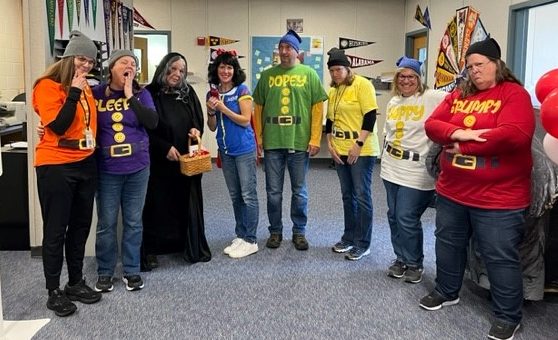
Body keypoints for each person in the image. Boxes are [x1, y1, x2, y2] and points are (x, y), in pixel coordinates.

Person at [420, 37, 535, 340]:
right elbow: (432, 125)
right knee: (447, 244)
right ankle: (447, 291)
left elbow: (513, 136)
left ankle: (508, 316)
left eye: (479, 65)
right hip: (452, 191)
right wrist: (458, 132)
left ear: (497, 64)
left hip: (499, 198)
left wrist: (458, 142)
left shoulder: (514, 94)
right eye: (469, 66)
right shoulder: (459, 93)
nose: (473, 71)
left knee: (499, 256)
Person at [32, 30, 101, 317]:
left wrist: (79, 89)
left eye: (90, 62)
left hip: (85, 162)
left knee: (80, 227)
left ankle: (75, 282)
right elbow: (59, 127)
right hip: (56, 164)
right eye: (81, 59)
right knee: (56, 230)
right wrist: (73, 91)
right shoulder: (47, 86)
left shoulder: (85, 87)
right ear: (68, 57)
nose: (86, 66)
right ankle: (53, 291)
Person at [253, 30, 328, 251]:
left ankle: (299, 232)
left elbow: (317, 109)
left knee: (300, 191)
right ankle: (275, 231)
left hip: (299, 142)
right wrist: (258, 137)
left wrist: (315, 138)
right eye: (281, 48)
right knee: (273, 192)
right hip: (273, 143)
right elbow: (258, 108)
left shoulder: (309, 74)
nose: (284, 52)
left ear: (297, 51)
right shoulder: (267, 76)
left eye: (289, 48)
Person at [93, 50, 158, 292]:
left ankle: (131, 270)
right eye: (124, 62)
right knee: (107, 222)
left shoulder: (142, 94)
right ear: (112, 68)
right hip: (107, 169)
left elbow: (152, 122)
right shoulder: (96, 93)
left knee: (133, 221)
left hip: (137, 167)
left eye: (133, 64)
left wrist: (130, 96)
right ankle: (105, 271)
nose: (129, 66)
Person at [380, 56, 447, 282]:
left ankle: (414, 263)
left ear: (419, 79)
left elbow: (458, 100)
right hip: (391, 166)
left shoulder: (432, 97)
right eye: (402, 77)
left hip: (417, 168)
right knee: (393, 216)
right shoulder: (393, 102)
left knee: (406, 216)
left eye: (411, 77)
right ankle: (400, 258)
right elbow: (387, 132)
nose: (406, 81)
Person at [141, 52, 211, 267]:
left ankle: (184, 244)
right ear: (163, 68)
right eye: (172, 69)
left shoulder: (188, 93)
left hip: (186, 159)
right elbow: (144, 128)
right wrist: (164, 147)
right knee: (157, 202)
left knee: (184, 200)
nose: (177, 74)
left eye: (181, 70)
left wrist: (195, 131)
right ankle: (153, 248)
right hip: (159, 159)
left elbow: (197, 120)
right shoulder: (149, 93)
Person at [325, 48, 380, 261]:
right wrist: (329, 144)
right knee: (347, 196)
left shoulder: (363, 85)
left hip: (361, 150)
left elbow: (370, 116)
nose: (335, 74)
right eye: (332, 70)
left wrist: (358, 144)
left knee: (362, 196)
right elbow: (330, 120)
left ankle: (363, 243)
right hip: (339, 148)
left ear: (348, 69)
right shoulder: (334, 90)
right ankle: (349, 238)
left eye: (339, 69)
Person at [206, 50, 259, 258]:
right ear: (216, 70)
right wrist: (211, 111)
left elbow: (245, 119)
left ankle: (251, 239)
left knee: (248, 195)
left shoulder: (242, 90)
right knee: (235, 195)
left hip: (244, 150)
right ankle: (241, 234)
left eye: (229, 67)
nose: (226, 71)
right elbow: (211, 126)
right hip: (226, 150)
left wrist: (223, 108)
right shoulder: (212, 94)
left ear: (234, 70)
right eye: (222, 67)